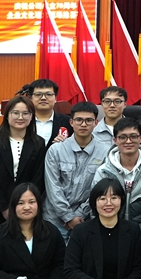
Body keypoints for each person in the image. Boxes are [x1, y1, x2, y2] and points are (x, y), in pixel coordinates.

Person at [0, 95, 46, 242]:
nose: (20, 117)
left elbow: (38, 178)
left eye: (25, 113)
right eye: (15, 113)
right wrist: (4, 208)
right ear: (7, 115)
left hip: (25, 212)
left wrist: (22, 206)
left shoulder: (38, 143)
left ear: (32, 116)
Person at [92, 117, 141, 237]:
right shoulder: (103, 171)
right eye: (122, 137)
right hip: (110, 234)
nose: (128, 141)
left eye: (133, 136)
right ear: (115, 140)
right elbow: (96, 208)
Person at [43, 101, 109, 242]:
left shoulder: (105, 152)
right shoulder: (56, 150)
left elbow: (98, 188)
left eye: (88, 120)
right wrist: (68, 217)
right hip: (54, 219)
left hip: (85, 219)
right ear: (71, 122)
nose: (83, 124)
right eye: (79, 120)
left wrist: (79, 215)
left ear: (96, 123)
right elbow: (53, 187)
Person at [29, 78, 73, 148]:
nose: (43, 98)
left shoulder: (68, 122)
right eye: (38, 94)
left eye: (48, 94)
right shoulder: (24, 121)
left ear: (56, 98)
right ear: (31, 98)